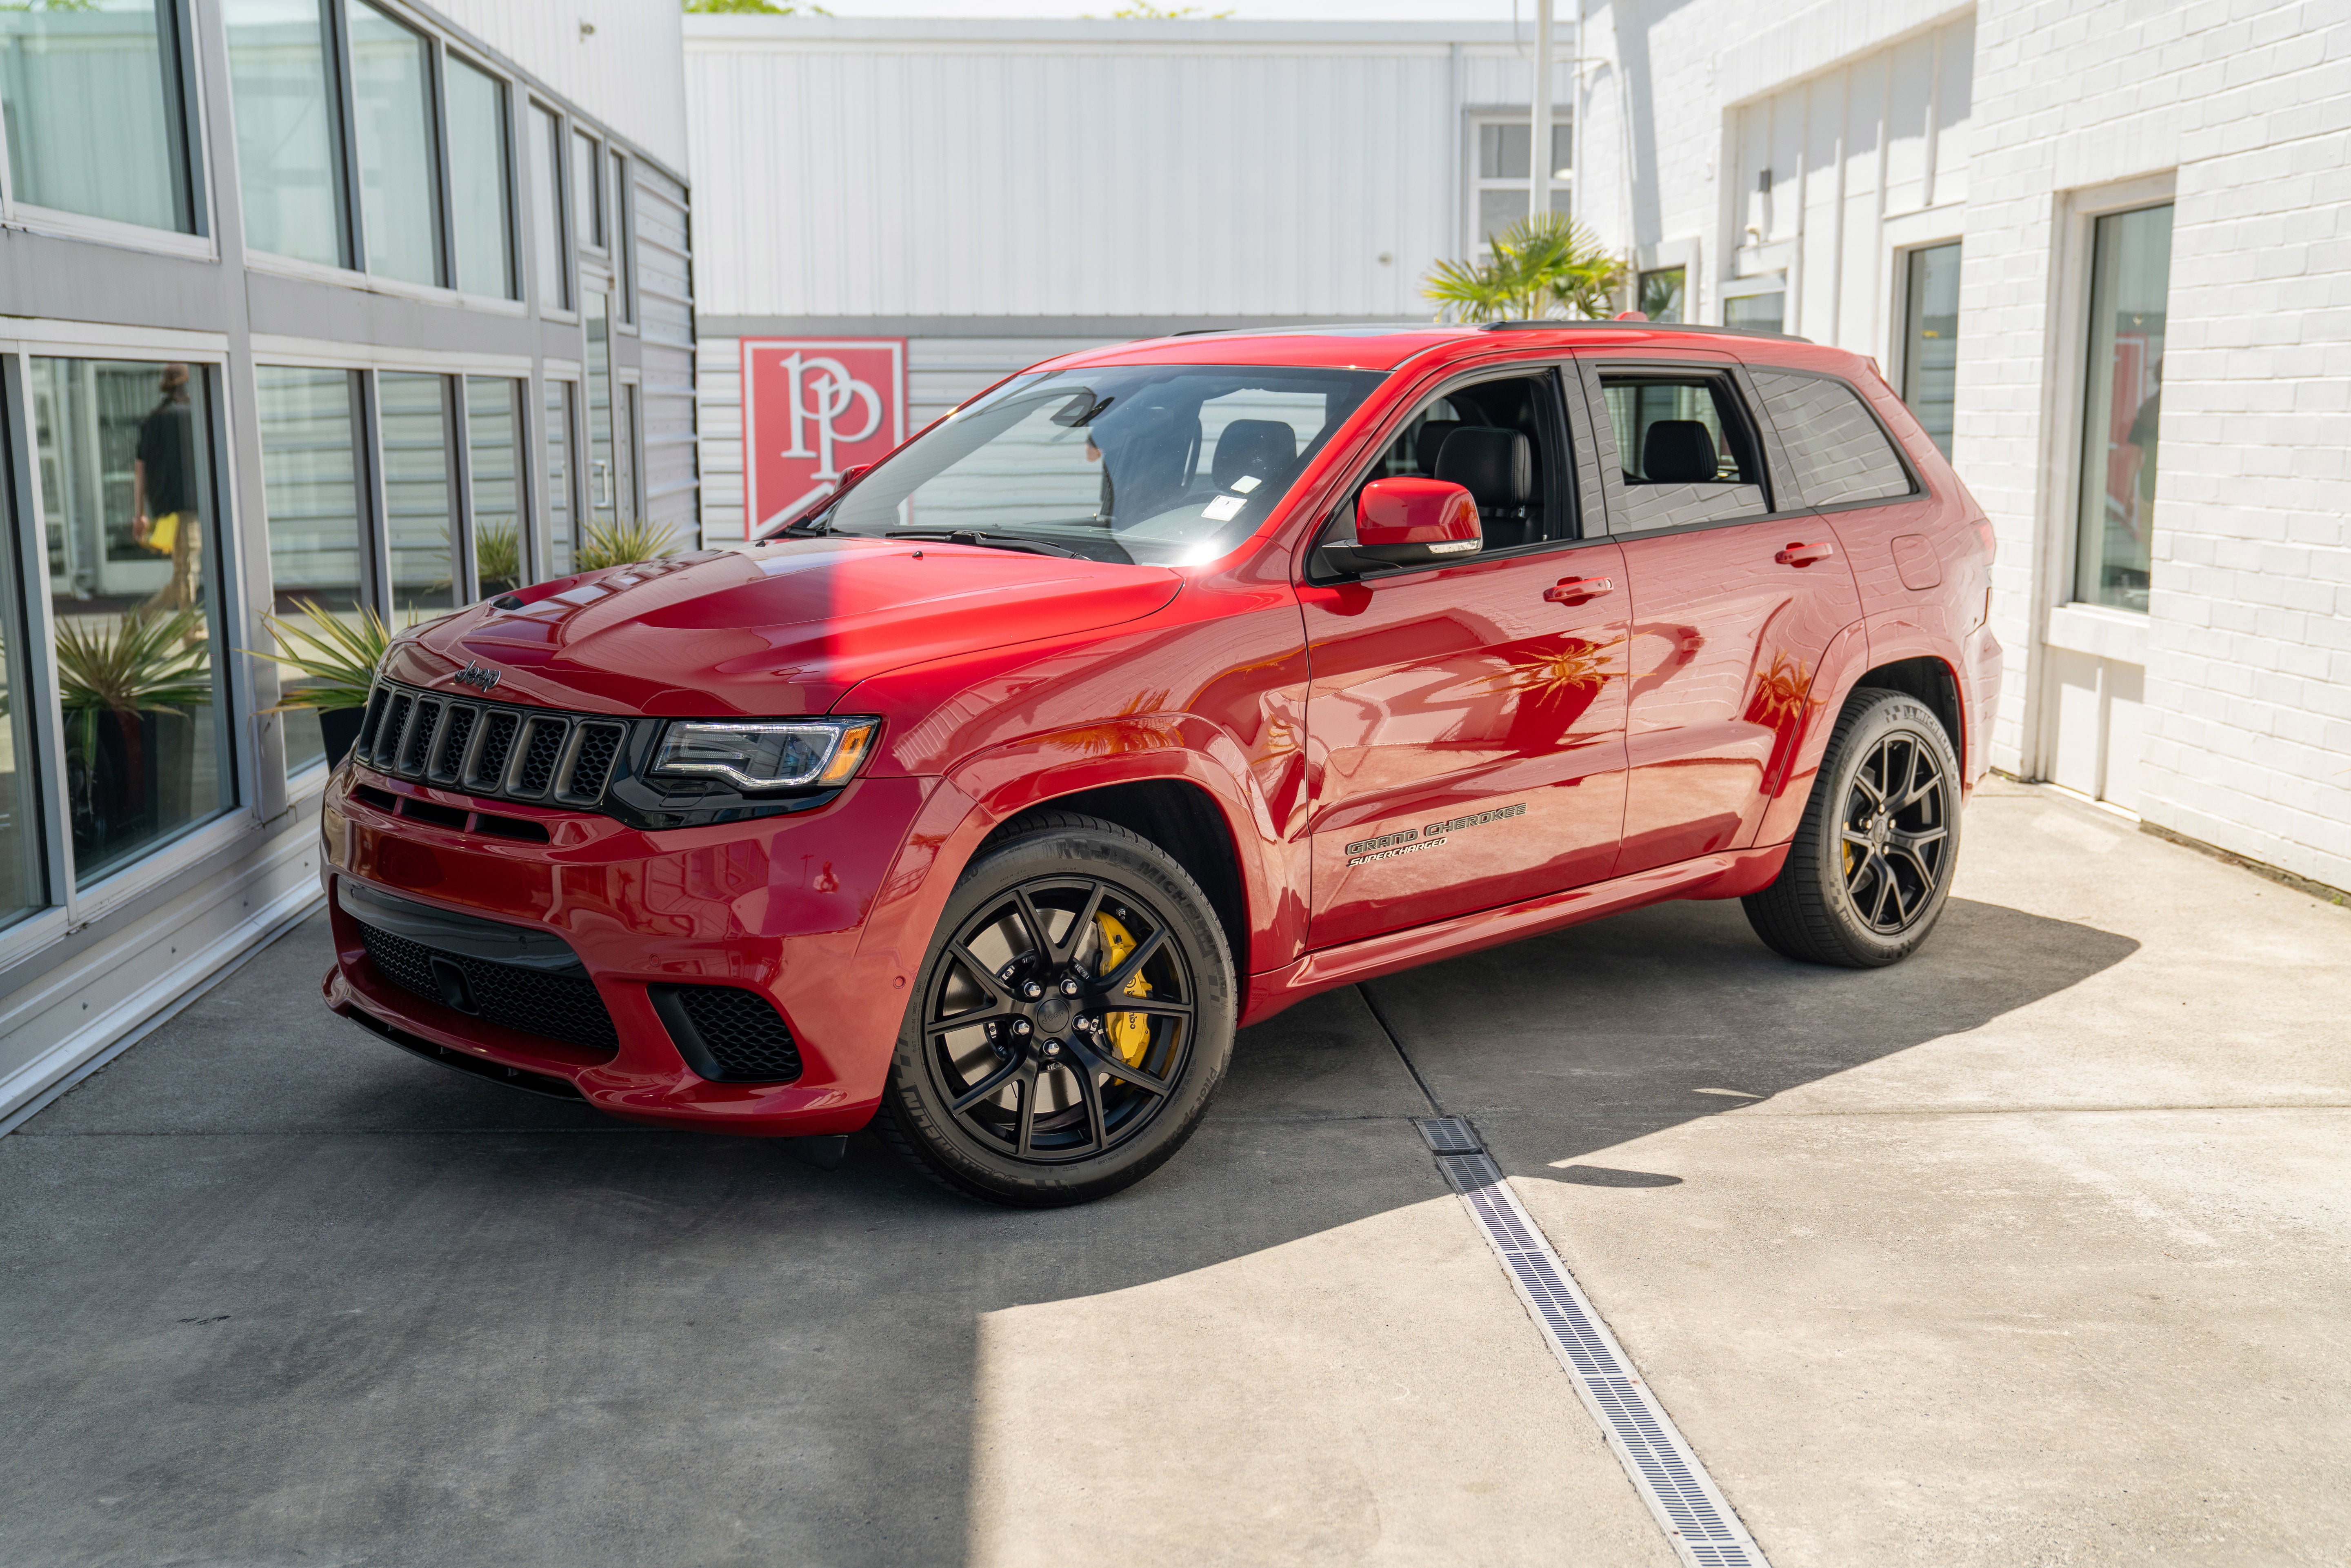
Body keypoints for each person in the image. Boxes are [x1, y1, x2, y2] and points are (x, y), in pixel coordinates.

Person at [133, 364, 200, 615]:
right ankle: (190, 631)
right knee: (187, 568)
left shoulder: (154, 419)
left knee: (184, 568)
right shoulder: (195, 417)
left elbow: (140, 468)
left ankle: (146, 614)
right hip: (189, 505)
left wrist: (139, 513)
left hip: (166, 507)